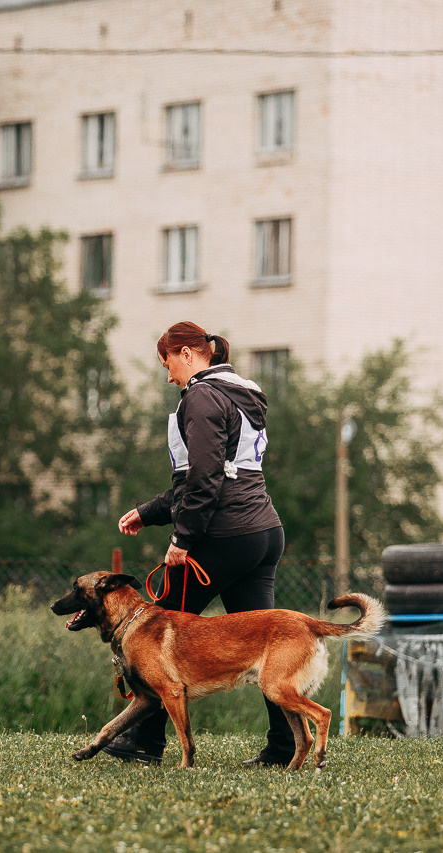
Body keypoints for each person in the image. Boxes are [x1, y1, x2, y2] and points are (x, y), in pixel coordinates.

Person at [107, 320, 294, 767]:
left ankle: (145, 743)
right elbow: (216, 475)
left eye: (167, 362)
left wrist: (182, 540)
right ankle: (285, 747)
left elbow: (205, 479)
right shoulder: (240, 393)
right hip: (262, 533)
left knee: (151, 634)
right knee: (263, 642)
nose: (167, 374)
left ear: (188, 354)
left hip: (225, 536)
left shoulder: (202, 396)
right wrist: (150, 511)